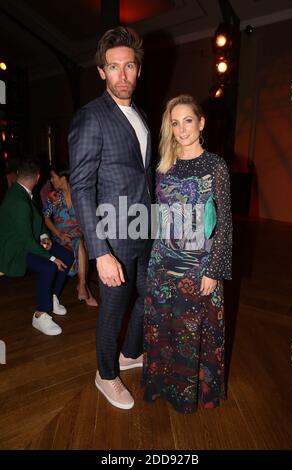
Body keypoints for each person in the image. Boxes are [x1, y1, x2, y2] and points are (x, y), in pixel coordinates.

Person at [68, 27, 153, 409]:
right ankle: (106, 375)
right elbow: (82, 188)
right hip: (113, 237)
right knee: (114, 309)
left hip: (145, 232)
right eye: (113, 67)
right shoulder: (91, 117)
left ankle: (130, 353)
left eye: (129, 66)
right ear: (102, 71)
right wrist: (100, 252)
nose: (123, 75)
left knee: (148, 297)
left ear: (137, 69)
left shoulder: (142, 114)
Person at [142, 94, 232, 413]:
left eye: (188, 121)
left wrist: (213, 270)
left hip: (199, 265)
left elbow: (224, 222)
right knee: (162, 328)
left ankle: (188, 396)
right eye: (175, 123)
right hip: (161, 263)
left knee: (191, 331)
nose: (182, 130)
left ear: (201, 122)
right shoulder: (164, 165)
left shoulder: (215, 165)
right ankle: (162, 386)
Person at [0, 158, 74, 336]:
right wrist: (50, 257)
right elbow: (25, 242)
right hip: (14, 250)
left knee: (66, 257)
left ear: (19, 174)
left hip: (28, 241)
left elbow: (37, 221)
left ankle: (52, 296)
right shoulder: (18, 200)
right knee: (49, 267)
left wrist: (43, 236)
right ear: (38, 177)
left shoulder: (22, 191)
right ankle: (40, 314)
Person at [43, 166, 98, 307]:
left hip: (79, 234)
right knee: (80, 244)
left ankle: (82, 285)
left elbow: (88, 216)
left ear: (63, 179)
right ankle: (83, 287)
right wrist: (59, 234)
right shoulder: (53, 196)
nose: (51, 180)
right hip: (60, 236)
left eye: (53, 177)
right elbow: (46, 219)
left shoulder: (79, 195)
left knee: (81, 241)